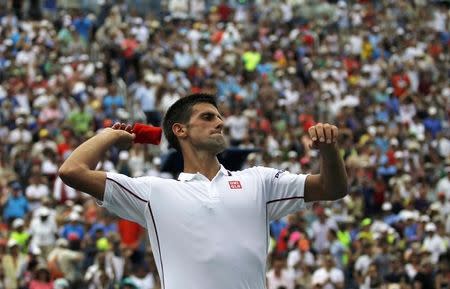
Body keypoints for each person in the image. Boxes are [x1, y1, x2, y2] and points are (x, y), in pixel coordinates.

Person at [59, 93, 348, 289]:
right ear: (181, 130)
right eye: (208, 117)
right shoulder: (153, 192)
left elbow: (331, 188)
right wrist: (110, 135)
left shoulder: (259, 181)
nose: (220, 122)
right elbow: (72, 171)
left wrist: (330, 149)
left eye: (219, 117)